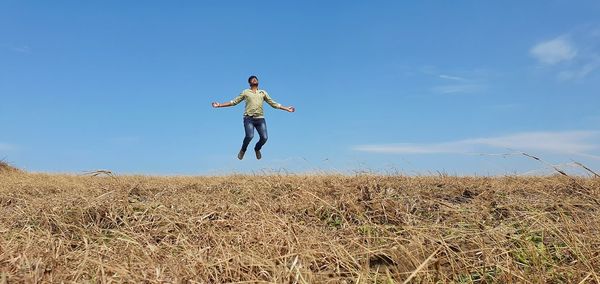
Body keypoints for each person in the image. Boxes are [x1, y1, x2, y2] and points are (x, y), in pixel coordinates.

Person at [212, 75, 295, 160]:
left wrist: (286, 108)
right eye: (252, 79)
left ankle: (257, 149)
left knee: (264, 138)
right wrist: (220, 105)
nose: (254, 79)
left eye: (256, 79)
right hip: (248, 118)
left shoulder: (263, 93)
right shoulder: (245, 92)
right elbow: (234, 102)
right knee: (250, 136)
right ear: (249, 83)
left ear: (258, 82)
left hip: (260, 119)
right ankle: (243, 150)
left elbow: (273, 103)